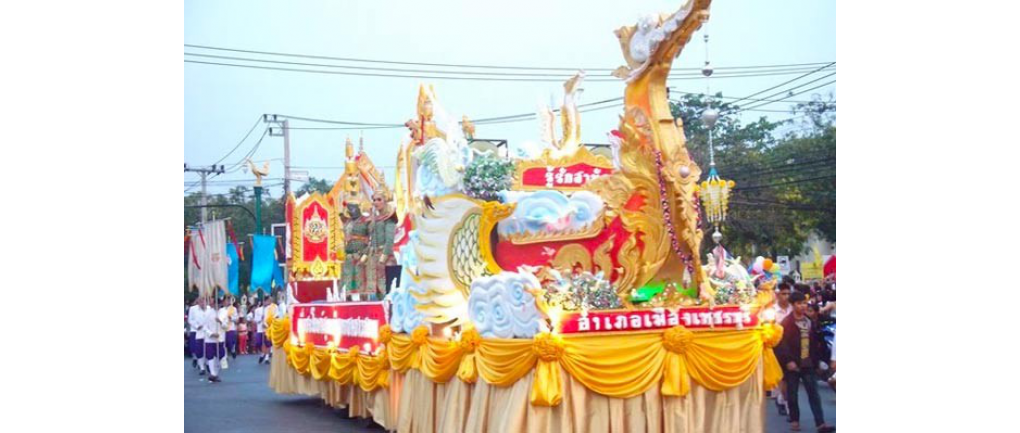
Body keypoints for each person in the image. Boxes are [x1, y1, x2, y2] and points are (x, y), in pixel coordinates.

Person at [777, 291, 835, 432]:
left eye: (804, 303)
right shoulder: (786, 323)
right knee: (792, 394)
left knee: (814, 394)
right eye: (799, 303)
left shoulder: (809, 321)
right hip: (792, 365)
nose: (802, 306)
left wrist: (817, 361)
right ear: (793, 305)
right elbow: (781, 345)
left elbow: (815, 343)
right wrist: (788, 361)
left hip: (808, 364)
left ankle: (820, 423)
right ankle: (795, 420)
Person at [773, 283, 794, 416]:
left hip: (792, 346)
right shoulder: (771, 310)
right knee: (781, 376)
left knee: (790, 377)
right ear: (777, 295)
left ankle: (784, 400)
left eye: (788, 294)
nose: (786, 297)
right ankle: (784, 402)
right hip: (777, 346)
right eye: (783, 294)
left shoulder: (794, 308)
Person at [203, 297, 224, 383]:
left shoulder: (223, 312)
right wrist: (211, 334)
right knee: (210, 356)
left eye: (218, 305)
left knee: (220, 355)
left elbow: (226, 325)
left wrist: (220, 321)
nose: (217, 306)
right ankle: (213, 374)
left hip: (220, 338)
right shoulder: (207, 313)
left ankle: (215, 372)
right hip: (210, 339)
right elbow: (204, 327)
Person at [261, 295, 279, 364]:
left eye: (270, 299)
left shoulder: (275, 307)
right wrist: (264, 323)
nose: (269, 301)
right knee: (266, 342)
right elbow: (264, 318)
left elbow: (277, 315)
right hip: (265, 327)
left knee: (271, 342)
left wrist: (272, 321)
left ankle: (267, 356)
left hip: (272, 326)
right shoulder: (264, 309)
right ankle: (264, 355)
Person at [186, 298, 202, 368]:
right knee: (193, 346)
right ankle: (195, 358)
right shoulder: (192, 309)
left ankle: (201, 363)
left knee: (200, 347)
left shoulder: (206, 308)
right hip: (194, 330)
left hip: (202, 330)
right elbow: (190, 320)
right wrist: (196, 326)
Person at [253, 297, 266, 363]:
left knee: (266, 343)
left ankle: (265, 356)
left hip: (266, 330)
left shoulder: (269, 309)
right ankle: (262, 353)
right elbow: (255, 320)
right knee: (258, 343)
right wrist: (261, 319)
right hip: (260, 329)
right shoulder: (257, 310)